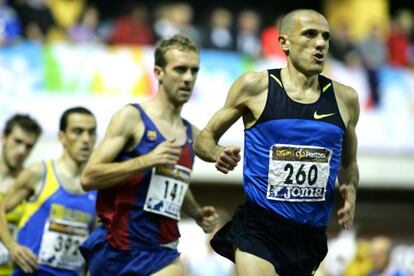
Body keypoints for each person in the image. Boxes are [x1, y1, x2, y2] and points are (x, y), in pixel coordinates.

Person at [195, 9, 360, 276]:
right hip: (259, 228)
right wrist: (216, 153)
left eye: (326, 37)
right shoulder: (256, 86)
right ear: (284, 42)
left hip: (310, 236)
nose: (321, 43)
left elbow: (349, 163)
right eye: (310, 34)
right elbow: (204, 138)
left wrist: (350, 188)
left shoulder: (346, 99)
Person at [79, 34, 219, 276]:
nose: (188, 78)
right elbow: (89, 177)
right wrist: (148, 159)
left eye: (193, 71)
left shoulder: (190, 134)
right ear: (159, 72)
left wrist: (195, 212)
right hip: (116, 246)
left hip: (160, 251)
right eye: (180, 69)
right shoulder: (132, 118)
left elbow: (173, 181)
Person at [0, 107, 97, 275]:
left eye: (91, 132)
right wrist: (12, 246)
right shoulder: (38, 173)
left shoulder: (99, 187)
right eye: (78, 132)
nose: (86, 139)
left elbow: (93, 243)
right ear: (62, 137)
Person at [0, 114, 42, 275]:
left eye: (29, 146)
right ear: (4, 137)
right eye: (17, 141)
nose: (21, 151)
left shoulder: (32, 185)